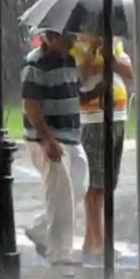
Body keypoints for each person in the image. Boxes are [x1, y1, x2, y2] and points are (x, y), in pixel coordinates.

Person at [21, 28, 87, 266]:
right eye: (67, 38)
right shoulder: (35, 64)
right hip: (47, 138)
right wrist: (47, 139)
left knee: (80, 183)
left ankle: (40, 229)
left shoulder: (71, 59)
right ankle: (60, 252)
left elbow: (77, 92)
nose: (73, 41)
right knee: (60, 192)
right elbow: (30, 105)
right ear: (51, 37)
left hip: (71, 136)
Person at [71, 30, 133, 262]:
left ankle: (98, 238)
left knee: (108, 182)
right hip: (94, 118)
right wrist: (92, 51)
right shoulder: (76, 47)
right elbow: (81, 75)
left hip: (117, 116)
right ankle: (95, 239)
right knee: (95, 182)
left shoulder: (115, 44)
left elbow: (128, 71)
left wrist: (109, 57)